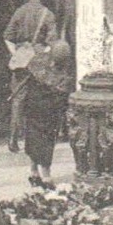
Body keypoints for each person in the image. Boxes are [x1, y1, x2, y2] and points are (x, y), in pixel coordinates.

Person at [3, 0, 58, 155]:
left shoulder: (20, 11)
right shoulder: (48, 15)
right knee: (38, 101)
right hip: (39, 64)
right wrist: (40, 55)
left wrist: (18, 55)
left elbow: (7, 37)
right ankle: (32, 140)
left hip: (21, 61)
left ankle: (13, 138)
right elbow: (52, 44)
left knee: (18, 100)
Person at [22, 39, 75, 188]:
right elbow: (63, 97)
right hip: (49, 113)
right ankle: (46, 175)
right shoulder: (64, 77)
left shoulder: (38, 63)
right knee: (46, 142)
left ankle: (33, 172)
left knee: (33, 139)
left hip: (33, 108)